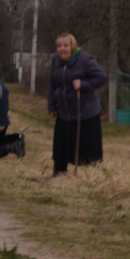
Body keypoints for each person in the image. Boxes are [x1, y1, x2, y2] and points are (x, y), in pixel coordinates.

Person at [47, 33, 107, 176]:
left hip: (85, 111)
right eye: (59, 46)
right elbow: (52, 84)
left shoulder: (85, 60)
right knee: (61, 144)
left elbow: (101, 77)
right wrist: (51, 106)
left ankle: (88, 175)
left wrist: (84, 84)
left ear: (72, 46)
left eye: (65, 45)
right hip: (64, 111)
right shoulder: (55, 60)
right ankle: (59, 172)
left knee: (87, 147)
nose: (62, 49)